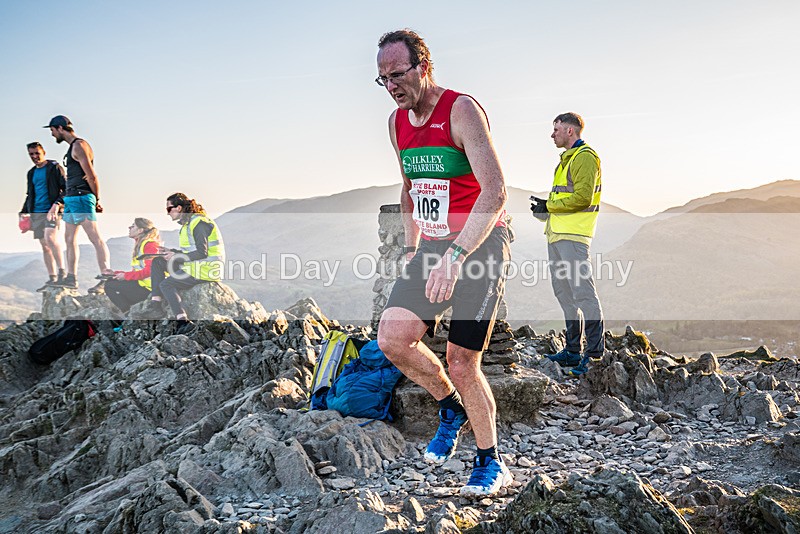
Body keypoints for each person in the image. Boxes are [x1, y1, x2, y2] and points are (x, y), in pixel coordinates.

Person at [374, 30, 512, 497]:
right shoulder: (396, 124)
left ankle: (491, 460)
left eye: (397, 74)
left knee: (461, 360)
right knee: (393, 338)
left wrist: (456, 255)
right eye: (382, 79)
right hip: (431, 247)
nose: (391, 85)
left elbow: (494, 191)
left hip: (480, 245)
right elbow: (410, 190)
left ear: (423, 67)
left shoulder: (461, 110)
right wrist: (414, 250)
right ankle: (449, 409)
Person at [531, 112, 604, 376]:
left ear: (570, 131)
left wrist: (549, 205)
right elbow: (566, 199)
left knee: (584, 294)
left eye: (556, 129)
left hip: (574, 238)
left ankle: (595, 355)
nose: (553, 134)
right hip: (557, 236)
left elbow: (583, 198)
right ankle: (573, 351)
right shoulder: (566, 160)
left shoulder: (584, 157)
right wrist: (545, 212)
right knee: (565, 294)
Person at [45, 115, 112, 292]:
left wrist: (96, 199)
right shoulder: (72, 147)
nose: (52, 135)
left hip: (82, 197)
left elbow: (92, 175)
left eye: (52, 130)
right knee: (69, 239)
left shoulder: (79, 145)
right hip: (72, 199)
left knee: (94, 238)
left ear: (60, 128)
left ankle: (106, 277)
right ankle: (71, 278)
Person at [142, 193, 225, 335]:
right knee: (158, 261)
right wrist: (171, 252)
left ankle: (183, 321)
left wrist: (176, 256)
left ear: (179, 208)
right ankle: (155, 304)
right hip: (195, 266)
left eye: (169, 209)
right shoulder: (189, 223)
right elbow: (192, 251)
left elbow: (202, 253)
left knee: (167, 284)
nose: (167, 214)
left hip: (206, 270)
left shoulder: (199, 223)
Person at [19, 142, 66, 291]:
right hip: (36, 213)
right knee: (44, 246)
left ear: (43, 152)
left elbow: (66, 188)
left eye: (37, 153)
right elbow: (30, 194)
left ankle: (62, 273)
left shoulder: (54, 168)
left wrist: (57, 204)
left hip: (52, 210)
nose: (34, 157)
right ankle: (52, 278)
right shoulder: (31, 172)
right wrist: (23, 211)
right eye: (31, 154)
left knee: (50, 238)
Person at [104, 218, 161, 314]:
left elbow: (150, 271)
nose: (129, 227)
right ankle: (130, 312)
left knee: (110, 285)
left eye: (133, 226)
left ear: (140, 230)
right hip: (142, 285)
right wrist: (115, 273)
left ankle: (128, 313)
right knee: (111, 281)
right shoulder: (141, 244)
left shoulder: (149, 245)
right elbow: (137, 271)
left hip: (149, 289)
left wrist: (125, 276)